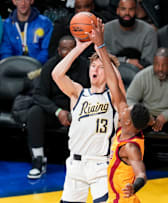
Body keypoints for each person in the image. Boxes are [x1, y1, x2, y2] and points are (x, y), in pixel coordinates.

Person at [51, 19, 125, 202]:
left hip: (100, 164)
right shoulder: (78, 93)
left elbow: (116, 83)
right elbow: (56, 74)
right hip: (75, 164)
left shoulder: (113, 97)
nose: (96, 69)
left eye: (101, 68)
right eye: (93, 66)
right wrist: (79, 47)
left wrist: (101, 47)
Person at [86, 18, 153, 203]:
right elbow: (114, 83)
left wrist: (135, 186)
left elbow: (141, 173)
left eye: (126, 111)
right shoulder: (126, 126)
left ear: (128, 121)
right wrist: (101, 47)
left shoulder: (131, 148)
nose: (122, 109)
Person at [126, 47, 168, 181]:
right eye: (157, 64)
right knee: (132, 120)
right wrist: (144, 116)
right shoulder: (142, 76)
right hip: (148, 117)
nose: (160, 68)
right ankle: (133, 166)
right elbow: (130, 99)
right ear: (153, 63)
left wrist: (166, 116)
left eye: (164, 65)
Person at [26, 35, 91, 179]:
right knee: (34, 112)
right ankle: (38, 159)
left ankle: (83, 162)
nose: (67, 53)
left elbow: (91, 94)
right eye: (64, 50)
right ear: (58, 50)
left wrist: (76, 112)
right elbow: (38, 95)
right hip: (55, 110)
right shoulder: (50, 66)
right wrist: (58, 111)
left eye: (71, 49)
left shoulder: (86, 66)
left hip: (80, 110)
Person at [48, 0, 116, 58]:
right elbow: (52, 51)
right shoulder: (62, 24)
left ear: (92, 7)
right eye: (79, 7)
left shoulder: (102, 22)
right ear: (75, 9)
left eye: (86, 6)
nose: (83, 10)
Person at [104, 0, 157, 70]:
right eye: (123, 9)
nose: (127, 13)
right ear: (117, 11)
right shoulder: (106, 29)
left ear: (136, 11)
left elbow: (149, 62)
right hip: (111, 70)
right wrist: (127, 61)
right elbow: (104, 58)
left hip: (140, 72)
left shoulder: (148, 31)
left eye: (131, 9)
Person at [0, 0, 53, 65]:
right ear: (14, 1)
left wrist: (33, 66)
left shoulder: (45, 23)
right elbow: (5, 51)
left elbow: (46, 50)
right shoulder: (6, 25)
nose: (23, 3)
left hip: (38, 68)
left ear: (32, 1)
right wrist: (13, 66)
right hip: (13, 68)